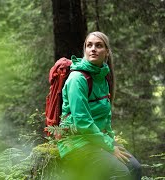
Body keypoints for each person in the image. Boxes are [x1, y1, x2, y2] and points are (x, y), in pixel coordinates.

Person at [56, 31, 141, 180]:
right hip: (76, 143)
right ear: (85, 50)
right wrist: (109, 146)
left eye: (98, 45)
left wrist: (110, 140)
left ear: (107, 51)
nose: (93, 49)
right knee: (122, 173)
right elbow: (82, 121)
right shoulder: (77, 79)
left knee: (135, 168)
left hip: (95, 139)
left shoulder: (101, 77)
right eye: (89, 45)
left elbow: (105, 118)